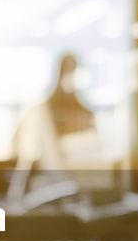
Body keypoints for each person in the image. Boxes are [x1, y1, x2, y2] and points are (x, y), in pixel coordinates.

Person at [9, 53, 103, 200]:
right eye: (68, 72)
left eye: (76, 72)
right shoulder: (42, 112)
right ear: (60, 74)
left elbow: (98, 157)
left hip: (87, 190)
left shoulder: (87, 115)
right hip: (53, 189)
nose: (72, 79)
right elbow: (23, 154)